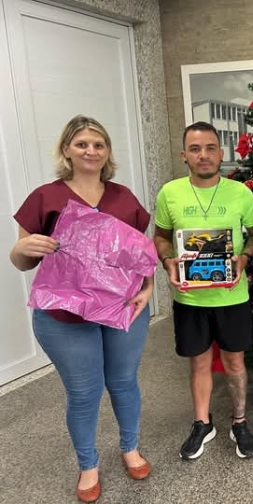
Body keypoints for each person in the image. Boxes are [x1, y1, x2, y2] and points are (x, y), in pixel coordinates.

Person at [10, 115, 153, 503]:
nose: (91, 150)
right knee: (84, 392)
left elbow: (141, 254)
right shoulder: (46, 196)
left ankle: (129, 447)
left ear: (107, 152)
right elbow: (21, 259)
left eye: (98, 144)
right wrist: (22, 250)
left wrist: (149, 288)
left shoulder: (123, 197)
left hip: (122, 309)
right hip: (64, 318)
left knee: (124, 382)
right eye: (82, 144)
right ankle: (88, 465)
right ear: (66, 150)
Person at [154, 121, 253, 461]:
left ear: (221, 152)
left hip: (232, 296)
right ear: (184, 154)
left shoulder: (241, 193)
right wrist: (168, 260)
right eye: (196, 149)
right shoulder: (169, 193)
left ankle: (240, 422)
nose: (204, 155)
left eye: (211, 148)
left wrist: (245, 258)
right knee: (199, 363)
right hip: (190, 298)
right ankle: (202, 423)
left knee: (234, 362)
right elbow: (160, 236)